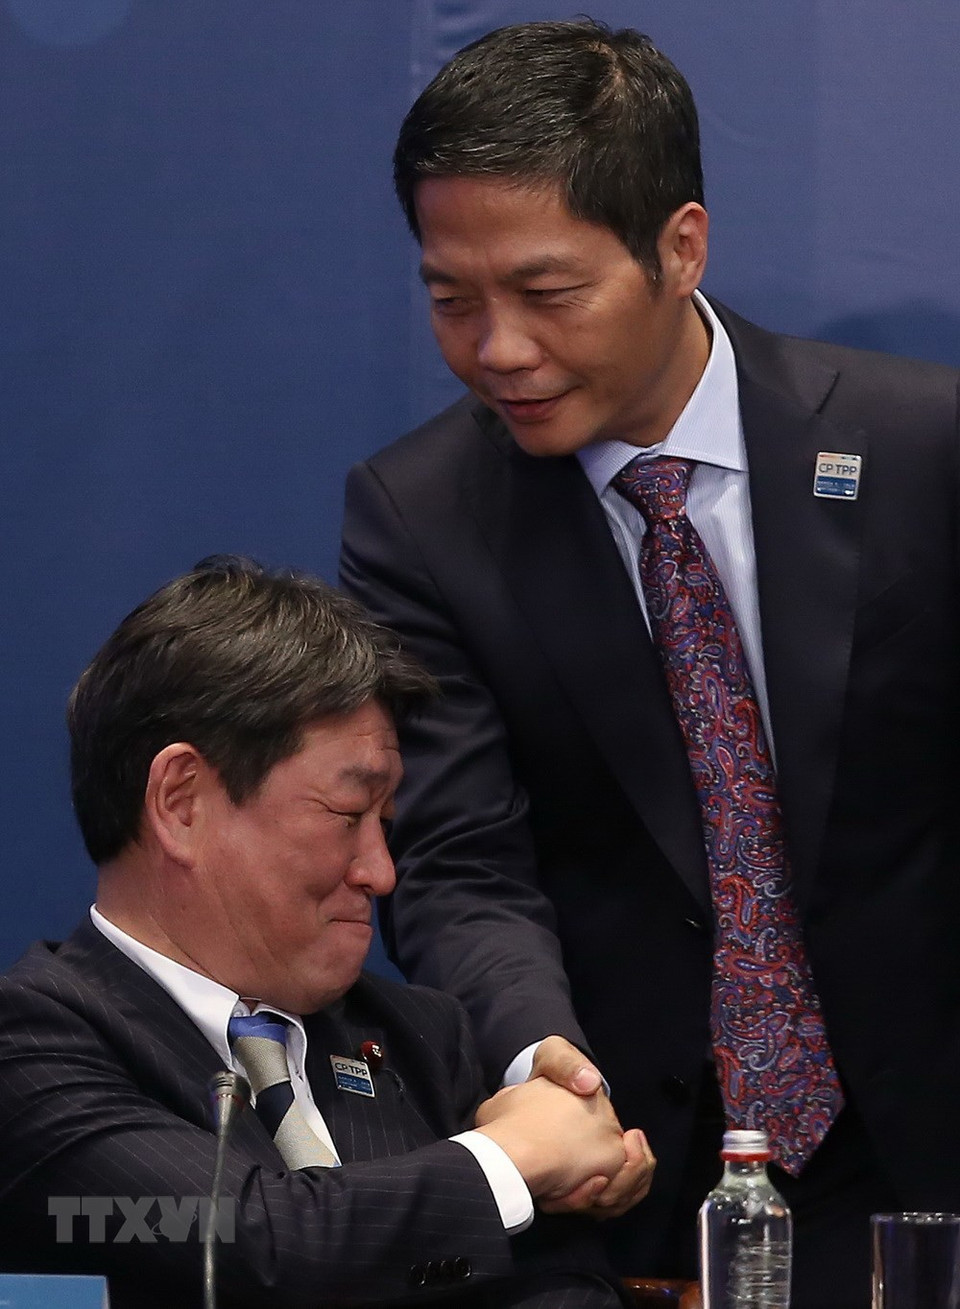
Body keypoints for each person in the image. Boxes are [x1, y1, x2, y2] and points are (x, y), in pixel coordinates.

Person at [338, 18, 960, 1309]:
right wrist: (534, 1055)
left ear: (681, 246)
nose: (496, 346)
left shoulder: (922, 448)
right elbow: (460, 857)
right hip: (637, 1167)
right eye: (452, 298)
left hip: (928, 1137)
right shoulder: (423, 518)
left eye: (547, 292)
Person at [0, 555, 654, 1309]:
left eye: (386, 823)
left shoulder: (420, 1037)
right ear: (182, 802)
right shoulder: (33, 1048)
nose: (382, 872)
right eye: (347, 817)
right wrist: (506, 1156)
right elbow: (244, 1245)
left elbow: (568, 1285)